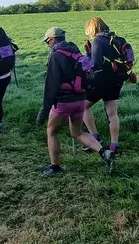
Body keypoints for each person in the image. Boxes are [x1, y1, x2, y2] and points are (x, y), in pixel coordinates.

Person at [37, 26, 115, 175]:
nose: (47, 44)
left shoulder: (56, 55)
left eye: (47, 41)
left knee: (51, 132)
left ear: (53, 39)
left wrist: (45, 108)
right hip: (80, 100)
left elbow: (51, 83)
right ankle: (104, 152)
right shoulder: (75, 51)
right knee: (77, 132)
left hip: (63, 101)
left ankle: (54, 167)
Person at [81, 17, 131, 155]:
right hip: (117, 80)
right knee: (112, 114)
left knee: (82, 106)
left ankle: (94, 138)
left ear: (93, 28)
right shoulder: (119, 39)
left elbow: (95, 64)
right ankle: (114, 146)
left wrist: (86, 57)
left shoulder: (97, 40)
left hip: (100, 81)